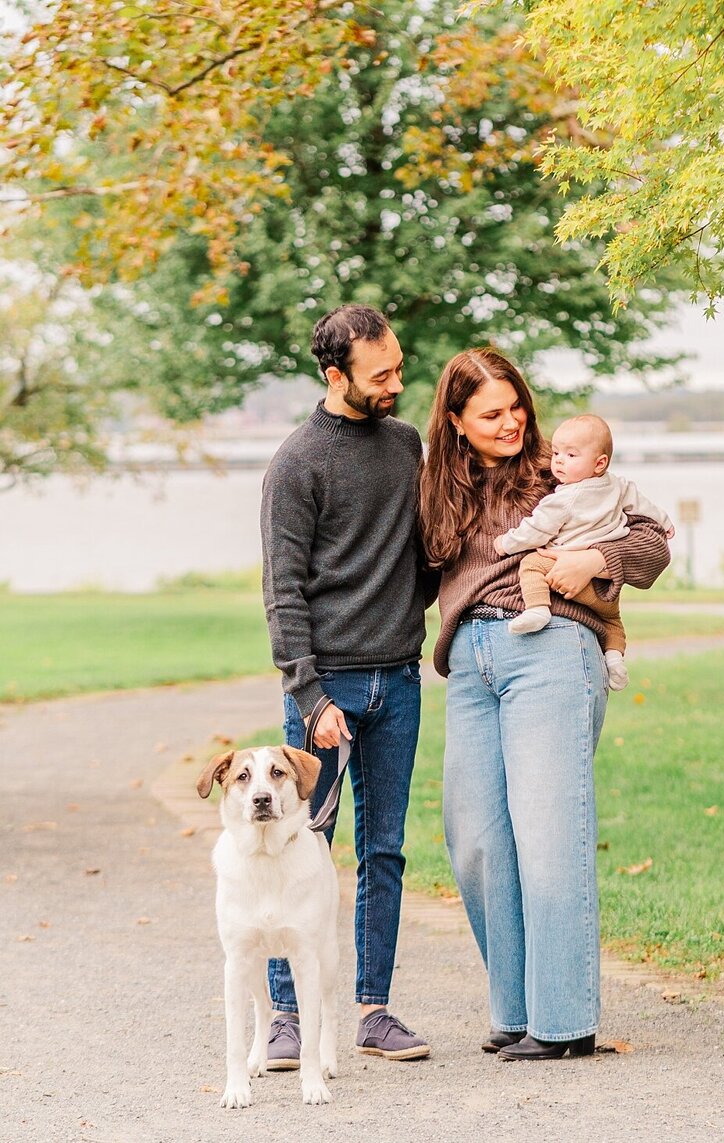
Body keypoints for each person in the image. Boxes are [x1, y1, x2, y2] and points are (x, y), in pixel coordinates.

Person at [419, 347, 671, 1061]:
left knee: (549, 832)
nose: (511, 423)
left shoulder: (556, 469)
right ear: (456, 421)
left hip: (552, 647)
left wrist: (599, 560)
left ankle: (563, 1024)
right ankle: (515, 1010)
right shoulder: (438, 489)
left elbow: (652, 541)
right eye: (491, 414)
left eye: (516, 408)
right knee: (475, 839)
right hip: (470, 662)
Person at [257, 303, 433, 1067]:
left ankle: (373, 1009)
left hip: (399, 680)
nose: (396, 383)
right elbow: (283, 590)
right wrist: (310, 696)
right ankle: (287, 1016)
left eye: (398, 368)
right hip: (325, 689)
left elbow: (420, 552)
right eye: (380, 374)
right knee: (301, 846)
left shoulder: (405, 444)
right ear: (336, 376)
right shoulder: (297, 464)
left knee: (384, 850)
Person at [493, 413, 671, 692]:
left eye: (571, 455)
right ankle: (614, 659)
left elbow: (536, 530)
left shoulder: (564, 497)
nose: (559, 461)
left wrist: (506, 543)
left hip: (564, 570)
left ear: (599, 463)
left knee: (531, 563)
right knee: (612, 621)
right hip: (605, 587)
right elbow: (644, 506)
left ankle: (538, 609)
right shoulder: (619, 486)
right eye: (556, 453)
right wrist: (666, 522)